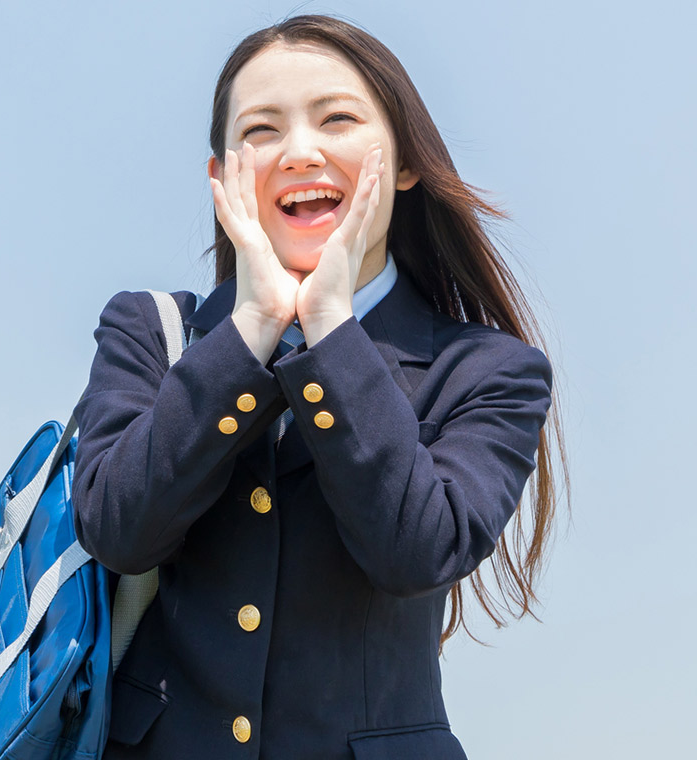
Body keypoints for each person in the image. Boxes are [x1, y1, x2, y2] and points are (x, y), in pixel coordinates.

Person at [70, 14, 569, 760]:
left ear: (403, 163)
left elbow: (415, 552)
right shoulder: (151, 333)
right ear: (221, 180)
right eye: (262, 130)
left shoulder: (492, 371)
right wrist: (253, 329)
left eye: (337, 118)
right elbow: (117, 528)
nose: (300, 151)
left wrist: (331, 327)